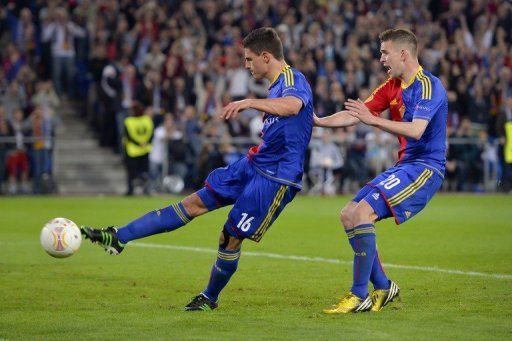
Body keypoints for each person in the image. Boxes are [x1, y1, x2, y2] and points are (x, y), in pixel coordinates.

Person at [81, 27, 314, 311]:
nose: (246, 65)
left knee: (230, 235)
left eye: (249, 59)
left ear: (266, 56)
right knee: (193, 202)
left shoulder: (293, 79)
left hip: (276, 177)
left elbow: (292, 107)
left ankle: (209, 298)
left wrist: (250, 102)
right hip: (254, 164)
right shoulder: (276, 85)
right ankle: (119, 236)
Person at [315, 28, 447, 313]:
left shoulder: (429, 85)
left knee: (362, 213)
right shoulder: (391, 86)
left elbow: (416, 130)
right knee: (349, 214)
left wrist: (371, 121)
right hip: (405, 166)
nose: (381, 58)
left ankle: (358, 294)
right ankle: (384, 286)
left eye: (385, 52)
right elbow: (356, 113)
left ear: (403, 53)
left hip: (426, 168)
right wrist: (316, 121)